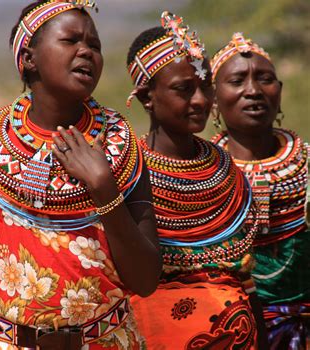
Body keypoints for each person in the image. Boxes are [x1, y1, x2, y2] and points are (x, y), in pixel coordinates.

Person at [0, 1, 162, 349]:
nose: (86, 51)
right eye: (70, 41)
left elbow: (144, 280)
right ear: (30, 58)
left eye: (94, 45)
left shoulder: (122, 145)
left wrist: (103, 188)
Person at [125, 12, 267, 349]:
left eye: (205, 86)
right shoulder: (126, 170)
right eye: (184, 90)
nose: (201, 100)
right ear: (147, 96)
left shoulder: (226, 169)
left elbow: (246, 279)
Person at [211, 33, 310, 349]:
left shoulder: (306, 164)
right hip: (229, 330)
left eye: (265, 79)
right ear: (212, 99)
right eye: (238, 80)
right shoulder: (200, 174)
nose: (253, 90)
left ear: (279, 92)